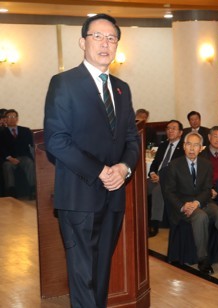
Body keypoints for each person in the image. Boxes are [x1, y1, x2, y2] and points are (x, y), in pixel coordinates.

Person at [43, 14, 140, 307]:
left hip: (113, 196)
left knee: (100, 274)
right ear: (82, 41)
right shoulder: (64, 83)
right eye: (97, 36)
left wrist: (123, 169)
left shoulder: (122, 88)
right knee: (83, 275)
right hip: (78, 197)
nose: (105, 44)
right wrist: (100, 171)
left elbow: (132, 140)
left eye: (111, 38)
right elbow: (56, 141)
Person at [163, 132, 218, 275]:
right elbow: (169, 192)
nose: (192, 148)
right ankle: (203, 258)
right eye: (189, 144)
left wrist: (197, 202)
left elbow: (207, 188)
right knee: (200, 217)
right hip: (182, 205)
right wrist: (183, 206)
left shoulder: (206, 164)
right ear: (184, 146)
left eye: (196, 145)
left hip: (202, 201)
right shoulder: (174, 165)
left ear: (201, 148)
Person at [147, 120, 184, 237]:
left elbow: (180, 169)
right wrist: (152, 172)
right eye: (168, 128)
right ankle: (142, 220)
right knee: (140, 188)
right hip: (156, 177)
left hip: (171, 180)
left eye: (173, 128)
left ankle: (155, 223)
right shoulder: (163, 145)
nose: (170, 131)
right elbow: (155, 163)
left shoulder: (183, 147)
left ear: (180, 132)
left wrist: (162, 177)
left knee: (157, 191)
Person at [0, 109, 35, 198]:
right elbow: (1, 148)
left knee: (29, 162)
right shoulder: (1, 132)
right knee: (7, 166)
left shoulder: (26, 130)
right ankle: (11, 191)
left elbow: (32, 145)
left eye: (13, 116)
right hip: (9, 158)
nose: (11, 119)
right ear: (5, 120)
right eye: (9, 117)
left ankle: (33, 189)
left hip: (24, 157)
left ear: (17, 118)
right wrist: (9, 158)